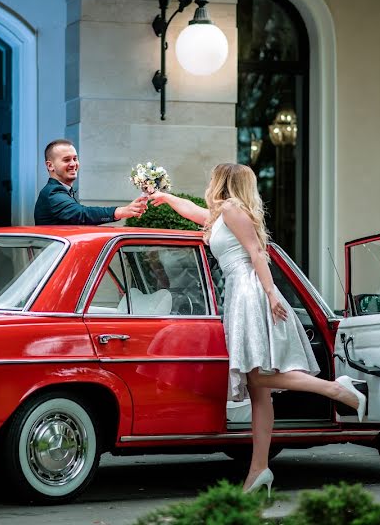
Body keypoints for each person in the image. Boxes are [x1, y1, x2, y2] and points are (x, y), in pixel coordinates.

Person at [149, 163, 365, 496]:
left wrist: (270, 293)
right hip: (240, 293)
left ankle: (338, 389)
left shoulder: (233, 210)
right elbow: (193, 211)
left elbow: (257, 253)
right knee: (258, 392)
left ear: (224, 182)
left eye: (212, 178)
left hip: (251, 293)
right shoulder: (221, 215)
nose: (208, 182)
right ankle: (259, 469)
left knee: (259, 377)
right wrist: (164, 196)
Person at [34, 139, 148, 225]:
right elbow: (81, 215)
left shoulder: (62, 191)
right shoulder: (52, 193)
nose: (73, 164)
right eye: (66, 160)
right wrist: (120, 211)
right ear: (50, 166)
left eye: (75, 158)